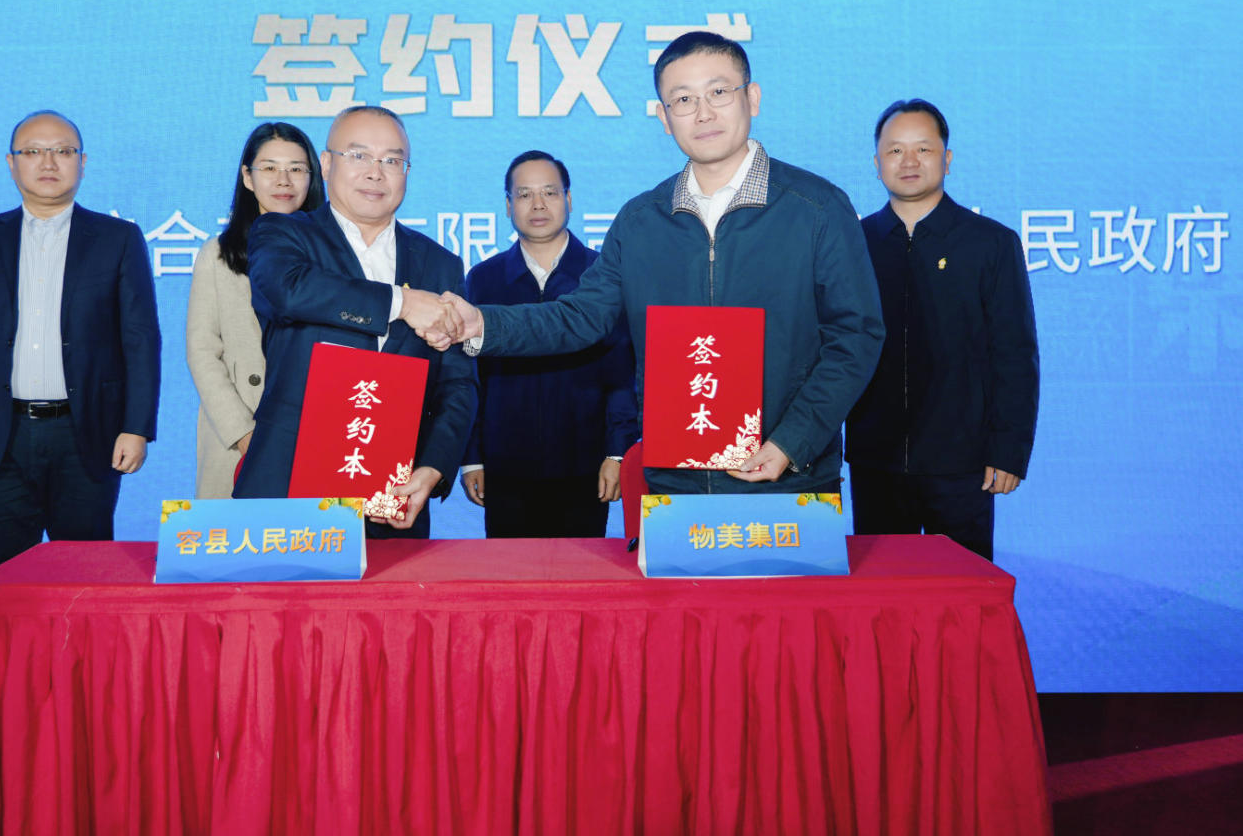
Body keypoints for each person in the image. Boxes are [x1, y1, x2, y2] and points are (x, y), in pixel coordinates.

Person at [435, 31, 883, 496]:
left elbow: (857, 336)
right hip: (676, 481)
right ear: (664, 118)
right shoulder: (640, 221)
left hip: (790, 481)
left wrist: (792, 441)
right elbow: (580, 316)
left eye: (718, 91)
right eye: (683, 99)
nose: (703, 112)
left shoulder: (816, 208)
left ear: (752, 97)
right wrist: (481, 324)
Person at [230, 106, 476, 538]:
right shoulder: (284, 234)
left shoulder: (440, 264)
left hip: (392, 496)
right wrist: (402, 302)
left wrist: (433, 467)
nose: (376, 173)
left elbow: (458, 383)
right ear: (327, 165)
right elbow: (288, 291)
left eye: (392, 160)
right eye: (359, 156)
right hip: (288, 483)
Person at [0, 110, 162, 571]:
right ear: (11, 163)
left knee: (84, 573)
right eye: (33, 151)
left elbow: (140, 340)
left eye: (63, 151)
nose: (49, 162)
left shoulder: (117, 239)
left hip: (87, 434)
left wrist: (136, 427)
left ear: (83, 162)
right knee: (6, 575)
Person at [846, 99, 1038, 560]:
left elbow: (1014, 353)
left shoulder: (990, 243)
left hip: (963, 463)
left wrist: (1008, 450)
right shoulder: (853, 245)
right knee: (882, 590)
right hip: (875, 459)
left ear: (947, 159)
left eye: (923, 149)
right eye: (895, 151)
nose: (908, 161)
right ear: (877, 164)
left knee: (961, 590)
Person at [459, 150, 638, 537]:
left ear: (568, 199)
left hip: (586, 465)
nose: (537, 204)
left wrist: (618, 451)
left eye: (550, 192)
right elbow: (471, 376)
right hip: (504, 467)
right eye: (524, 195)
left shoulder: (602, 276)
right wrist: (472, 457)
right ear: (508, 205)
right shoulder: (484, 279)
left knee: (582, 572)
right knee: (510, 573)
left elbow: (623, 372)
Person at [186, 123, 324, 498]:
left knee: (316, 531)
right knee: (236, 532)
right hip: (239, 431)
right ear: (248, 177)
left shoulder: (334, 255)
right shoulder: (217, 254)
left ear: (312, 177)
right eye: (269, 168)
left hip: (316, 432)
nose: (283, 180)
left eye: (296, 168)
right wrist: (243, 432)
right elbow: (202, 351)